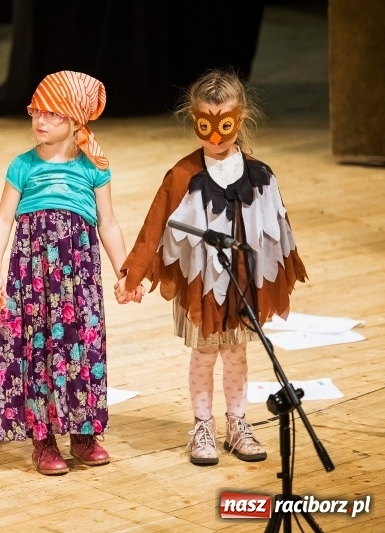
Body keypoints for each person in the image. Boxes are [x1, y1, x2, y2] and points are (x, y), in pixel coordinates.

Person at [116, 68, 307, 466]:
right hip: (202, 282)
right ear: (193, 118)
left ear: (241, 117)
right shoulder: (183, 175)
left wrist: (283, 273)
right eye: (206, 126)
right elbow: (153, 228)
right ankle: (202, 426)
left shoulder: (260, 175)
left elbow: (279, 228)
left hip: (242, 281)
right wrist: (134, 276)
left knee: (237, 351)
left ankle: (238, 423)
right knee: (205, 352)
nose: (216, 138)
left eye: (225, 125)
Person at [0, 71, 130, 475]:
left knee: (82, 347)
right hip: (32, 276)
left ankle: (83, 430)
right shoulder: (23, 165)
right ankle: (43, 438)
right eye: (35, 112)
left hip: (77, 276)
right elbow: (1, 220)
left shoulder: (93, 167)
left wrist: (125, 271)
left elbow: (109, 222)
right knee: (37, 348)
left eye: (52, 114)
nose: (39, 121)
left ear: (77, 121)